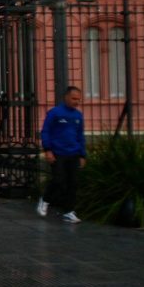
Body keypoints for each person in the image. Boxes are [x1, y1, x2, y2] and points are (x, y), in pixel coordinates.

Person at [36, 86, 87, 224]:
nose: (76, 102)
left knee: (73, 183)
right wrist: (48, 150)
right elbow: (45, 131)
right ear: (66, 97)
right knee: (58, 180)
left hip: (74, 154)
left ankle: (69, 211)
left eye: (78, 99)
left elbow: (80, 135)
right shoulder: (55, 113)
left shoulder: (78, 116)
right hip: (58, 153)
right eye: (74, 98)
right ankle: (45, 200)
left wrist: (82, 155)